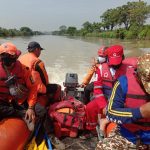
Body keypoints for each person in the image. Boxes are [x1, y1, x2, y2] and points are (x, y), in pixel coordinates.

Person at [96, 53, 150, 150]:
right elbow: (110, 112)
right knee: (103, 147)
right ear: (137, 74)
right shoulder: (122, 83)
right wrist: (140, 112)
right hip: (128, 135)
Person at [81, 45, 136, 139]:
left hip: (121, 100)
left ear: (123, 57)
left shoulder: (130, 70)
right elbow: (97, 89)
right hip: (105, 97)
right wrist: (103, 106)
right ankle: (92, 130)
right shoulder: (101, 69)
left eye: (117, 62)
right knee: (90, 108)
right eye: (112, 62)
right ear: (107, 58)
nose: (115, 65)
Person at [19, 41, 65, 149]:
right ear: (36, 49)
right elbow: (45, 81)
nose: (40, 52)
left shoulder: (21, 58)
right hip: (34, 90)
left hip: (21, 91)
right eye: (40, 50)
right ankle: (52, 135)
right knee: (57, 87)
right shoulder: (37, 61)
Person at [0, 42, 37, 131]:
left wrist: (31, 107)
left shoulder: (24, 69)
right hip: (2, 101)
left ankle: (50, 135)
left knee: (41, 111)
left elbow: (33, 88)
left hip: (19, 101)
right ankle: (20, 113)